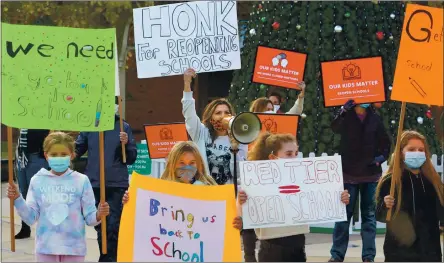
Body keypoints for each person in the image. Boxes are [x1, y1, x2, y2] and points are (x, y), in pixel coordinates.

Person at [237, 132, 350, 262]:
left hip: (298, 249)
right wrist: (249, 257)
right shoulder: (256, 185)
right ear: (273, 157)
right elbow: (247, 225)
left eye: (296, 153)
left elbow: (321, 198)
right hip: (271, 251)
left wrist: (340, 199)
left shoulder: (304, 181)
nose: (294, 158)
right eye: (289, 154)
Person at [7, 132, 110, 262]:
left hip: (74, 250)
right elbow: (30, 218)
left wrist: (99, 214)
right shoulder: (37, 180)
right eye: (54, 154)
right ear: (46, 155)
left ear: (72, 155)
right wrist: (17, 199)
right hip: (45, 249)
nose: (59, 157)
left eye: (63, 154)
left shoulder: (82, 181)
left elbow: (90, 218)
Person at [121, 141, 243, 230]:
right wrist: (130, 202)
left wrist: (237, 219)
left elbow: (224, 220)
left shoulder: (210, 189)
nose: (187, 168)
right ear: (173, 165)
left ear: (199, 164)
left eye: (192, 163)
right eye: (181, 163)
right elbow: (144, 219)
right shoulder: (160, 191)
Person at [74, 97, 137, 262]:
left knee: (113, 224)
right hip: (94, 183)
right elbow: (77, 150)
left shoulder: (124, 127)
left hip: (117, 184)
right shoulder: (90, 125)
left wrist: (127, 142)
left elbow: (131, 158)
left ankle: (109, 257)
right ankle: (107, 254)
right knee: (100, 223)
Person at [329, 99, 391, 262]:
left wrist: (379, 159)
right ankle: (337, 255)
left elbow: (386, 143)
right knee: (343, 215)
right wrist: (343, 110)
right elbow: (334, 128)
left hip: (371, 174)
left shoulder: (375, 118)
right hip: (348, 173)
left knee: (369, 216)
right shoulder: (346, 116)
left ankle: (368, 256)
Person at [375, 130, 444, 262]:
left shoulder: (432, 181)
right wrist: (385, 205)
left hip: (429, 251)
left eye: (421, 149)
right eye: (411, 149)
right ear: (401, 152)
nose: (417, 153)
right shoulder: (391, 181)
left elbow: (440, 212)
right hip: (399, 253)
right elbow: (380, 215)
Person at [182, 68, 247, 185]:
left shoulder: (239, 138)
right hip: (205, 191)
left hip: (228, 193)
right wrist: (187, 84)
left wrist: (234, 147)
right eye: (218, 113)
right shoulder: (201, 132)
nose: (223, 116)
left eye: (227, 113)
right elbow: (189, 113)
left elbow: (239, 173)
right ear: (210, 117)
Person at [14, 128, 50, 239]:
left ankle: (46, 228)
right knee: (23, 192)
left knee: (39, 193)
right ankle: (25, 227)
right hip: (22, 156)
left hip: (36, 156)